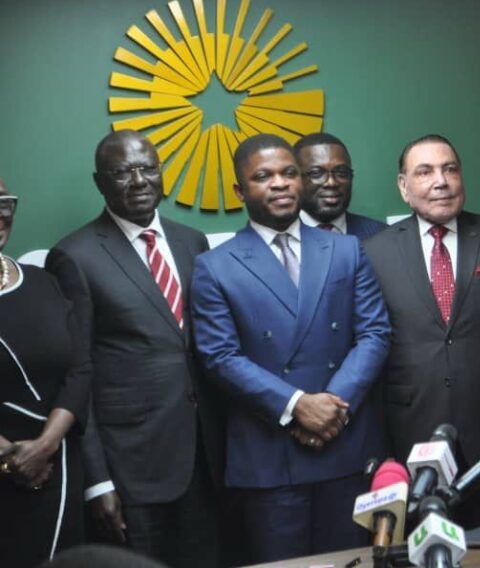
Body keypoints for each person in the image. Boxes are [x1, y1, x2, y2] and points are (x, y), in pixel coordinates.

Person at [191, 134, 391, 563]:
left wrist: (333, 408)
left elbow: (374, 333)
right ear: (240, 191)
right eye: (263, 176)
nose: (280, 183)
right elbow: (220, 357)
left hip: (345, 447)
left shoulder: (346, 249)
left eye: (289, 173)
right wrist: (298, 405)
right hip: (270, 459)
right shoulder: (215, 266)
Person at [48, 131, 221, 567]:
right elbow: (77, 374)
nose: (140, 180)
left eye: (148, 168)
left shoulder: (192, 242)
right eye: (123, 172)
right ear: (99, 182)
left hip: (206, 460)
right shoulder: (74, 256)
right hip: (133, 470)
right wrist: (98, 482)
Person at [363, 134, 480, 523]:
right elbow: (371, 352)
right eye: (425, 172)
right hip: (413, 434)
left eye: (450, 169)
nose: (441, 181)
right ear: (403, 186)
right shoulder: (374, 253)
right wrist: (381, 452)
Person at [0, 179, 90, 567]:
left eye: (4, 202)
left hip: (59, 469)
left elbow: (80, 368)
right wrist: (11, 460)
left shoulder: (44, 282)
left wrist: (46, 445)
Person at [294, 132, 386, 240]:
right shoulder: (279, 239)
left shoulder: (383, 236)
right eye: (317, 173)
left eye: (341, 172)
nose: (331, 182)